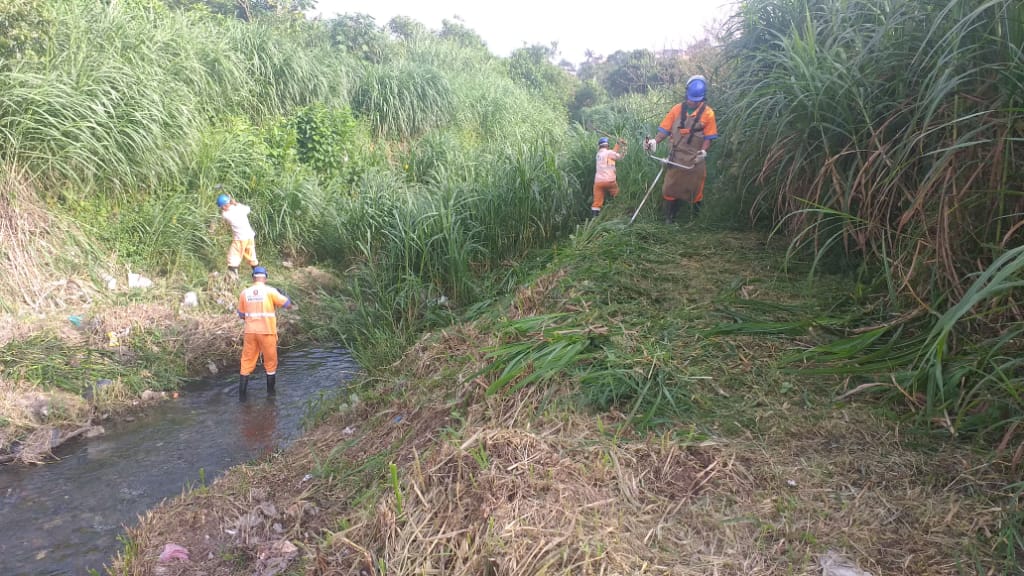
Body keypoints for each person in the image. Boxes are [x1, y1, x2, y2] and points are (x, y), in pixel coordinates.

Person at [644, 75, 719, 223]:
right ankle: (669, 217)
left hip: (695, 158)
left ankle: (696, 219)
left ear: (703, 98)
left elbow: (708, 138)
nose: (693, 102)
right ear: (686, 94)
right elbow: (664, 131)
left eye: (697, 100)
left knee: (696, 189)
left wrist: (703, 152)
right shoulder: (677, 110)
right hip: (676, 156)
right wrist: (654, 141)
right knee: (670, 188)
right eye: (691, 98)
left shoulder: (708, 113)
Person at [236, 266, 296, 400]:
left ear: (253, 278)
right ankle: (270, 396)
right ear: (266, 278)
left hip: (250, 332)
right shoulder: (270, 291)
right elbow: (287, 305)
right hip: (267, 332)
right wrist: (286, 297)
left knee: (246, 363)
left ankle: (242, 397)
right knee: (270, 363)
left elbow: (241, 315)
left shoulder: (244, 293)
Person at [217, 188, 258, 279]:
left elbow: (224, 211)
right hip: (250, 236)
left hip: (240, 239)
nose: (222, 208)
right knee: (251, 256)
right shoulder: (238, 209)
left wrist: (231, 202)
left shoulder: (226, 214)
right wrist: (235, 203)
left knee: (233, 257)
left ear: (223, 206)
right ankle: (258, 274)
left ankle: (233, 278)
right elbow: (248, 209)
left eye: (222, 206)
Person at [592, 136, 627, 218]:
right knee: (617, 195)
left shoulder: (598, 155)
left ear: (599, 146)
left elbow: (612, 153)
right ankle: (620, 212)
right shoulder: (609, 153)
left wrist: (618, 144)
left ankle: (594, 221)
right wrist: (624, 147)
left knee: (596, 203)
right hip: (610, 181)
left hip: (598, 182)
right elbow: (620, 156)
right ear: (607, 146)